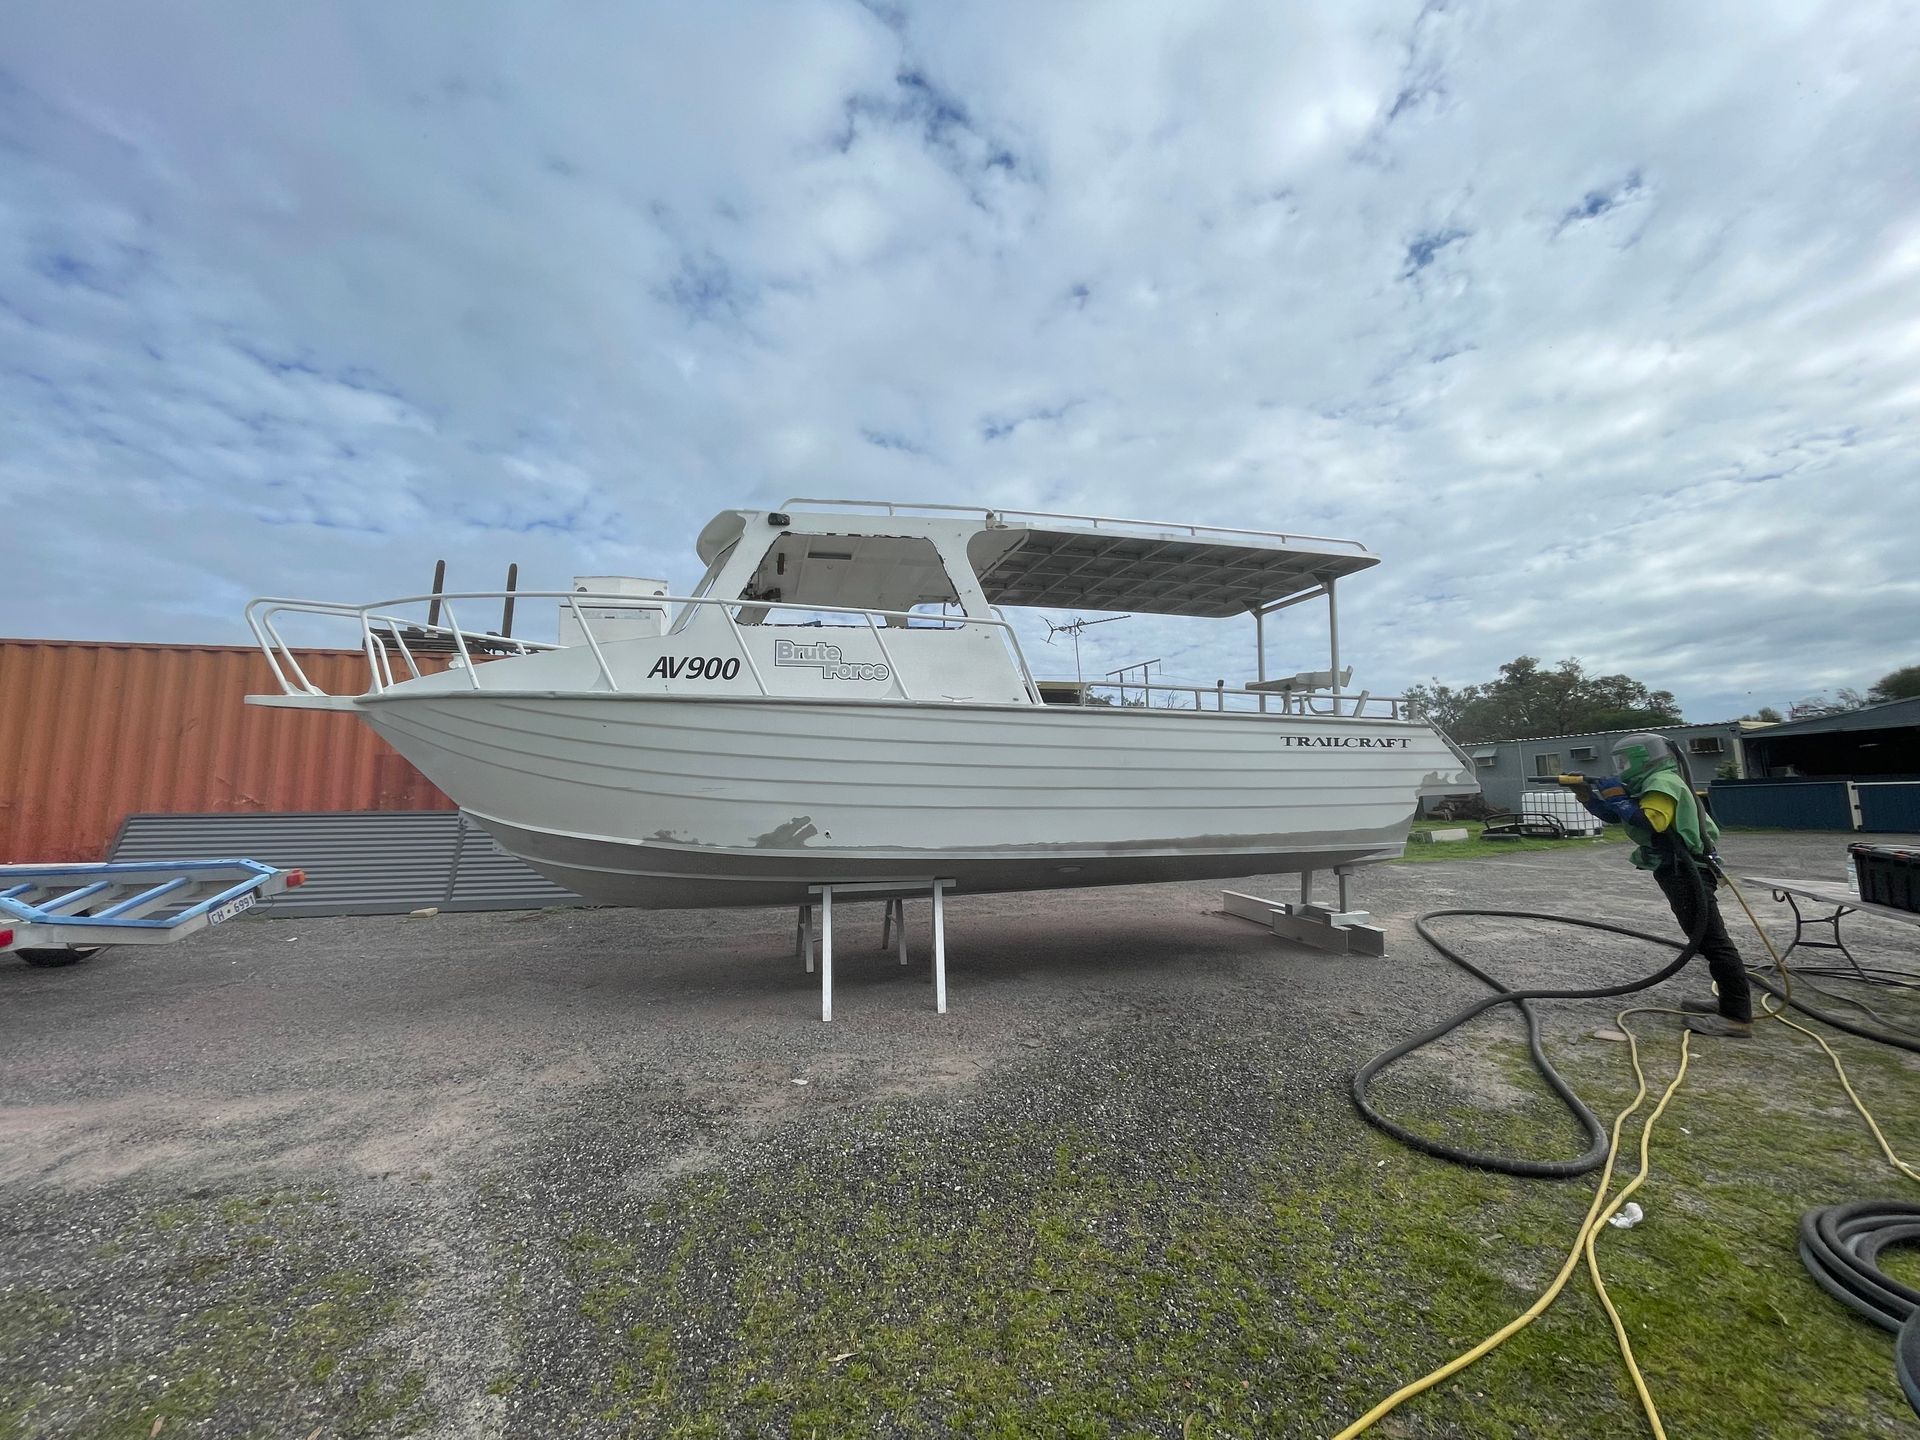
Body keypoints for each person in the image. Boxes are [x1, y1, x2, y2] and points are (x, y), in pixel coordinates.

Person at [1578, 733, 1753, 1037]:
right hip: (1676, 868)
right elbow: (1619, 816)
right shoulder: (1652, 782)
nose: (1621, 767)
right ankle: (1729, 1003)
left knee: (1713, 942)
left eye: (1624, 761)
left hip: (1686, 871)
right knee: (1706, 939)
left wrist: (1618, 797)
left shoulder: (1662, 783)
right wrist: (1587, 796)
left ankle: (1736, 1016)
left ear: (1641, 759)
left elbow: (1651, 822)